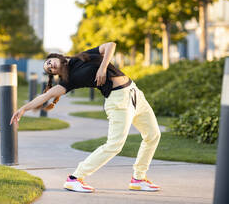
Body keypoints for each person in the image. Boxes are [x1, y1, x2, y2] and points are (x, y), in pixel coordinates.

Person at [10, 42, 161, 193]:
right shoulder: (68, 82)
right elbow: (46, 96)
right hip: (118, 101)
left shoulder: (82, 57)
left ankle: (139, 178)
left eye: (50, 63)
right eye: (49, 70)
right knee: (115, 145)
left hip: (134, 92)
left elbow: (110, 45)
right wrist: (23, 108)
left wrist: (103, 67)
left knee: (153, 135)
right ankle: (75, 178)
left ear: (56, 57)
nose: (51, 67)